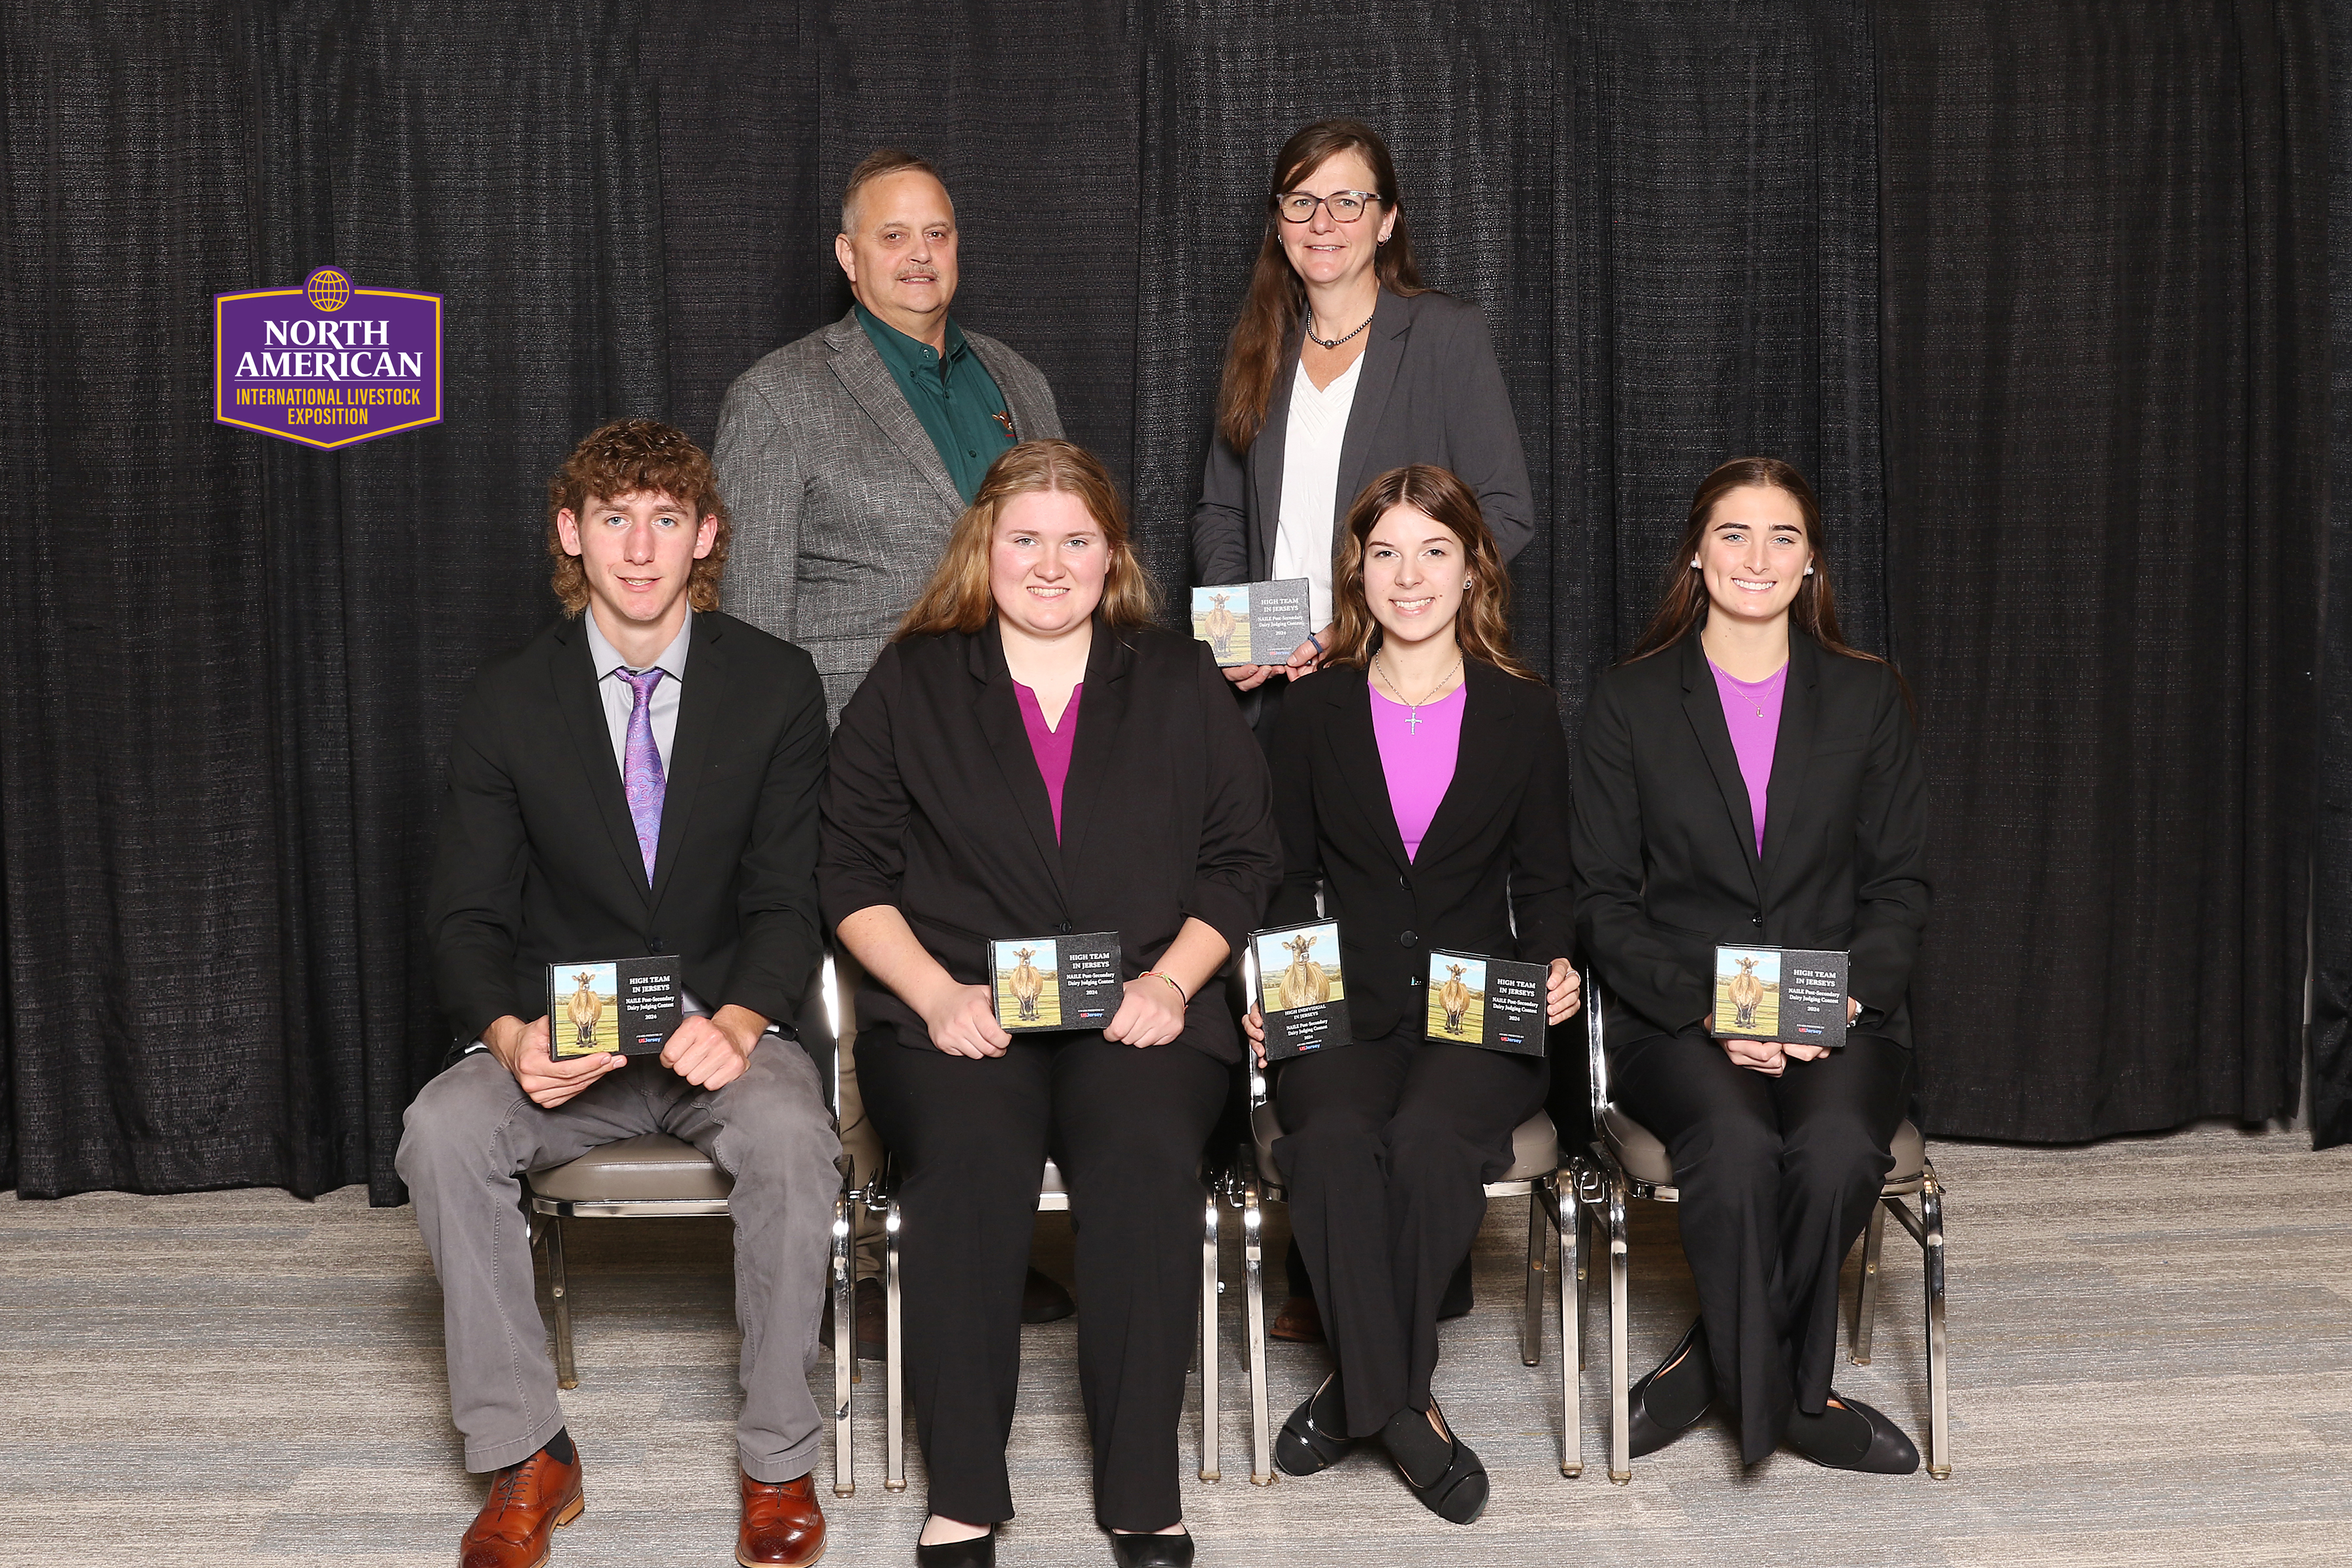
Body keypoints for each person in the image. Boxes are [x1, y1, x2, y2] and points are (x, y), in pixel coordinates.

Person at [819, 440, 1281, 1567]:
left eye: (1077, 540)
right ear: (985, 545)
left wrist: (1175, 981)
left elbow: (1242, 859)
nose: (1050, 562)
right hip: (955, 1009)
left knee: (1138, 1159)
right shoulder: (914, 678)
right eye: (1026, 538)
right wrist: (930, 995)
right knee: (969, 1161)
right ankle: (965, 1490)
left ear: (1112, 555)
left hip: (1145, 1008)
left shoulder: (1178, 676)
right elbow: (848, 877)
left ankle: (1141, 1491)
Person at [398, 418, 839, 1568]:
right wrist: (506, 1035)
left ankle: (778, 1458)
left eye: (664, 519)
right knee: (441, 1129)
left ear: (706, 536)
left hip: (722, 1032)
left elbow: (792, 897)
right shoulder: (506, 697)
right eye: (613, 518)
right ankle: (530, 1452)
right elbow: (466, 915)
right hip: (568, 1042)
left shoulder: (776, 685)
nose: (639, 547)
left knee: (796, 1138)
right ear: (571, 534)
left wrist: (740, 1020)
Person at [715, 146, 1072, 1355]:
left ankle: (981, 1233)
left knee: (1003, 979)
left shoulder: (1013, 378)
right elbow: (750, 617)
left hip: (1019, 742)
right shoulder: (780, 394)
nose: (922, 256)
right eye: (894, 236)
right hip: (862, 744)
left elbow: (1069, 543)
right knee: (874, 1008)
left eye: (940, 233)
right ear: (848, 257)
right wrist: (775, 779)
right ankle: (860, 1262)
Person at [1569, 455, 1930, 1475]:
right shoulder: (1630, 703)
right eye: (1734, 534)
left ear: (1811, 561)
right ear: (1697, 553)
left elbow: (1900, 887)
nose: (1756, 558)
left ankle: (1730, 1377)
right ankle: (1795, 1399)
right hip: (1677, 1015)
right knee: (1728, 1144)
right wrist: (1714, 1014)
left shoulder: (1867, 697)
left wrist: (1843, 1000)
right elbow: (1602, 899)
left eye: (1782, 537)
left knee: (1834, 1155)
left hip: (1841, 1007)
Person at [1241, 464, 1579, 1524]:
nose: (1409, 574)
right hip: (1341, 998)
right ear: (1359, 570)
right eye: (1385, 551)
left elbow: (1548, 880)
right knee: (1333, 1140)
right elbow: (1286, 881)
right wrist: (1279, 1000)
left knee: (1435, 1141)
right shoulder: (1311, 712)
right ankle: (1402, 1406)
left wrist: (1558, 962)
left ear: (1473, 565)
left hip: (1479, 1004)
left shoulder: (1524, 714)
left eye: (1433, 550)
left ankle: (1357, 1397)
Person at [1189, 117, 1537, 708]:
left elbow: (1506, 510)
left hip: (1398, 680)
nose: (1322, 223)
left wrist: (1377, 619)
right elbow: (1221, 512)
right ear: (1278, 224)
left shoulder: (1444, 335)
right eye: (1301, 202)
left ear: (1387, 221)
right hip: (1272, 691)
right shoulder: (1257, 345)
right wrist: (1234, 641)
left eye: (1347, 202)